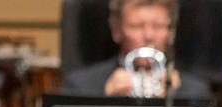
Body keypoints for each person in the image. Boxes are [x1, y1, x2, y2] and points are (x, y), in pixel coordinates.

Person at [61, 0, 209, 98]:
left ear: (170, 32)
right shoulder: (78, 88)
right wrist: (105, 100)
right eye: (137, 26)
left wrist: (179, 100)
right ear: (116, 30)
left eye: (158, 26)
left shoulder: (196, 92)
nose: (149, 35)